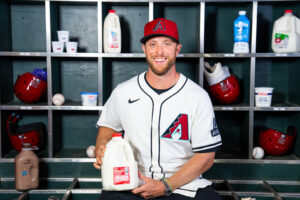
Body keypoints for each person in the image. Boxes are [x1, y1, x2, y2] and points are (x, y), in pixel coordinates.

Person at [94, 18, 222, 200]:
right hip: (131, 181)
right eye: (152, 44)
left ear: (177, 49)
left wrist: (166, 186)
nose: (159, 51)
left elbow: (206, 156)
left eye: (167, 44)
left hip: (183, 185)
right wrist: (102, 145)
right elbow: (108, 127)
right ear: (144, 49)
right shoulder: (124, 91)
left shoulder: (197, 96)